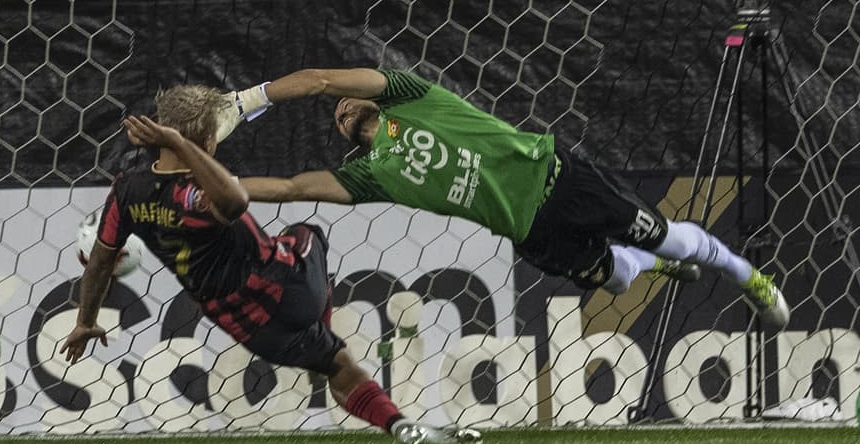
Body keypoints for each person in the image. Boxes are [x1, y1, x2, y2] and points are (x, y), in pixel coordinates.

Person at [61, 86, 481, 444]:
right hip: (286, 285)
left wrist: (85, 321)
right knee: (308, 233)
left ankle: (397, 424)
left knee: (336, 366)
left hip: (245, 324)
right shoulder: (202, 194)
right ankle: (394, 415)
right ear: (206, 141)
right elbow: (234, 201)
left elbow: (99, 263)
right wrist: (184, 143)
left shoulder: (127, 192)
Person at [214, 68, 790, 329]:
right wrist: (210, 183)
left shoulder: (410, 97)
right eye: (337, 120)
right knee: (616, 279)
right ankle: (651, 264)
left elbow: (319, 81)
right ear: (347, 145)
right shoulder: (369, 177)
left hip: (558, 179)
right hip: (530, 232)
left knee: (667, 236)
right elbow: (291, 189)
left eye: (346, 103)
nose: (341, 109)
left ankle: (747, 276)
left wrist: (247, 101)